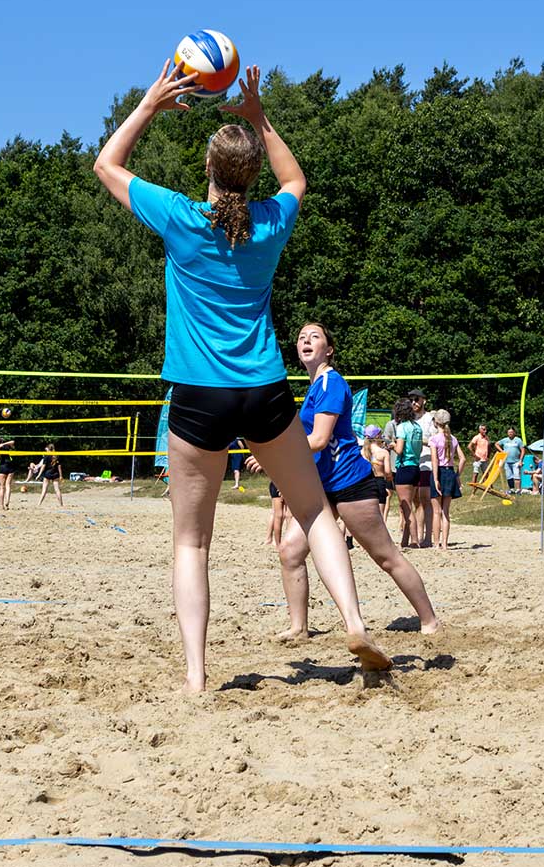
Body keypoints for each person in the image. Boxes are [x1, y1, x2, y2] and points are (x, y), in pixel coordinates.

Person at [93, 57, 390, 690]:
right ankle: (355, 621)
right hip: (263, 390)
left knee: (191, 543)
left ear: (207, 168)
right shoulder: (270, 223)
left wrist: (149, 103)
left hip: (199, 396)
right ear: (251, 173)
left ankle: (198, 677)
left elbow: (106, 165)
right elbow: (297, 180)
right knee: (313, 512)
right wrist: (258, 115)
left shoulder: (180, 216)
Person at [252, 323, 437, 639]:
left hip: (350, 483)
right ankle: (298, 627)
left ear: (329, 349)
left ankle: (429, 620)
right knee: (290, 552)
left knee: (386, 556)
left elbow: (320, 439)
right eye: (301, 337)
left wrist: (272, 454)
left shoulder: (330, 382)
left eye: (315, 336)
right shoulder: (314, 387)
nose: (306, 340)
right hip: (319, 486)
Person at [429, 412, 466, 549]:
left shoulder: (434, 439)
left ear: (436, 422)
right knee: (446, 511)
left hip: (438, 471)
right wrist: (457, 475)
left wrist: (435, 478)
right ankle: (445, 543)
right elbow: (463, 459)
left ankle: (437, 543)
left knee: (436, 512)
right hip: (450, 472)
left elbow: (434, 460)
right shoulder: (453, 439)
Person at [392, 397, 425, 548]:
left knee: (405, 507)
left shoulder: (401, 427)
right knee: (408, 506)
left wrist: (391, 445)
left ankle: (414, 540)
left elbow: (399, 450)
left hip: (404, 467)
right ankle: (405, 541)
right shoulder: (417, 427)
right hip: (415, 467)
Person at [408, 389, 434, 547]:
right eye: (411, 400)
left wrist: (418, 440)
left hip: (426, 463)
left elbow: (434, 440)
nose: (413, 403)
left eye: (416, 399)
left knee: (426, 500)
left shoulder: (430, 418)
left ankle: (428, 537)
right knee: (414, 501)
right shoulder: (408, 419)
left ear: (424, 400)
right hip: (411, 463)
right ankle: (417, 536)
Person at [361, 424, 394, 523]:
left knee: (365, 512)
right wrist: (389, 478)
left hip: (366, 482)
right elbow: (388, 471)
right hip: (379, 481)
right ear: (378, 436)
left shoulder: (362, 452)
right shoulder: (383, 452)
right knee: (379, 513)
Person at [496, 427, 525, 495]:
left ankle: (518, 490)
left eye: (511, 432)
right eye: (509, 432)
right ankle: (511, 489)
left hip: (516, 461)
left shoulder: (518, 440)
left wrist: (521, 460)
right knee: (509, 476)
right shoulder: (505, 440)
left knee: (516, 475)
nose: (510, 434)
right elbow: (496, 444)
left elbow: (523, 450)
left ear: (514, 433)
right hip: (507, 461)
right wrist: (502, 451)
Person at [0, 437, 17, 510]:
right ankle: (7, 501)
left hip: (3, 466)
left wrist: (2, 444)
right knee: (8, 485)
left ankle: (2, 505)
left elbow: (13, 442)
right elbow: (13, 442)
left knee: (2, 487)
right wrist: (3, 444)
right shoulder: (5, 446)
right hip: (9, 466)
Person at [263, 481, 289, 547]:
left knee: (276, 514)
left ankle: (270, 539)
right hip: (282, 484)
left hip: (274, 483)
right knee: (286, 515)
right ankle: (284, 542)